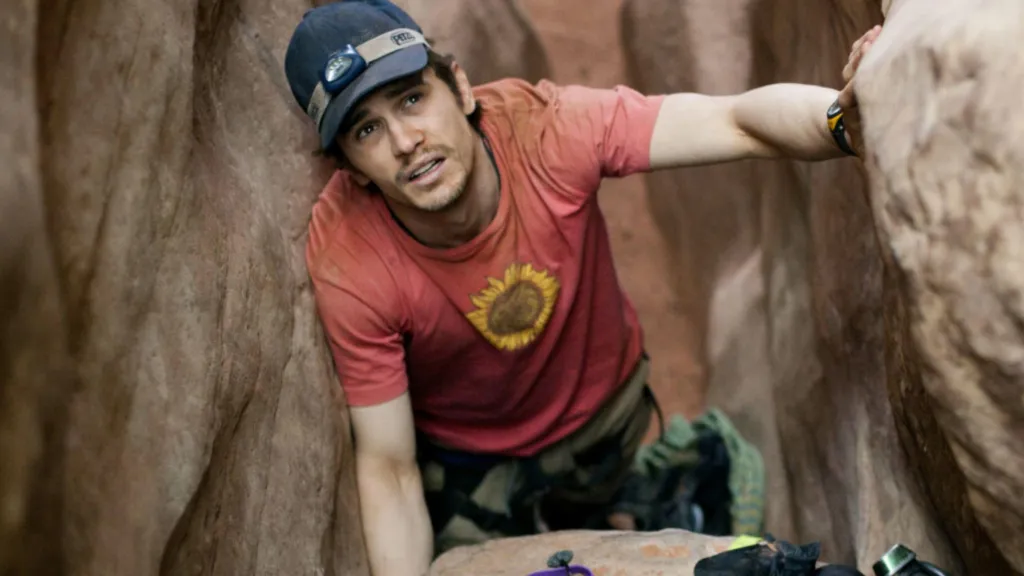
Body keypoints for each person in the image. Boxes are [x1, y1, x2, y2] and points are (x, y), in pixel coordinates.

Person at [283, 1, 881, 575]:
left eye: (412, 99)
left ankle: (620, 511)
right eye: (367, 129)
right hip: (471, 460)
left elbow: (735, 121)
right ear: (352, 170)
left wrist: (841, 120)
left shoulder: (547, 131)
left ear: (461, 89)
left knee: (601, 521)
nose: (404, 141)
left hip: (600, 414)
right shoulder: (351, 261)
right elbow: (389, 468)